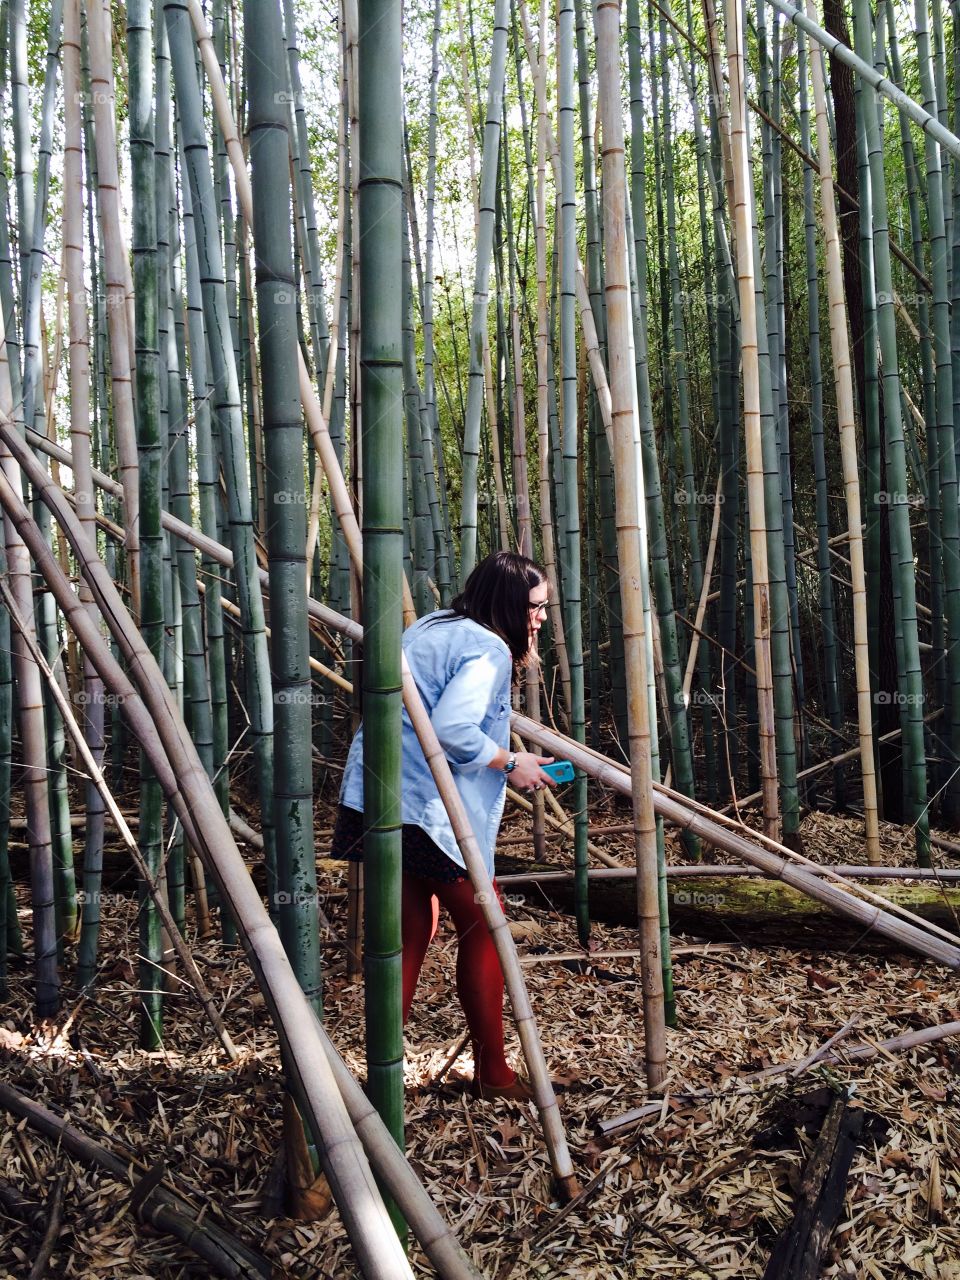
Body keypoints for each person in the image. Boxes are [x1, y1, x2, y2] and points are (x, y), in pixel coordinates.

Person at [330, 550, 557, 1100]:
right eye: (536, 606)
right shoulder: (488, 649)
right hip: (426, 813)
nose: (543, 617)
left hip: (375, 799)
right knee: (486, 925)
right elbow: (453, 728)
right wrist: (511, 761)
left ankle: (376, 1074)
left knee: (411, 930)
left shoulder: (435, 624)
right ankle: (494, 1074)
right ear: (507, 605)